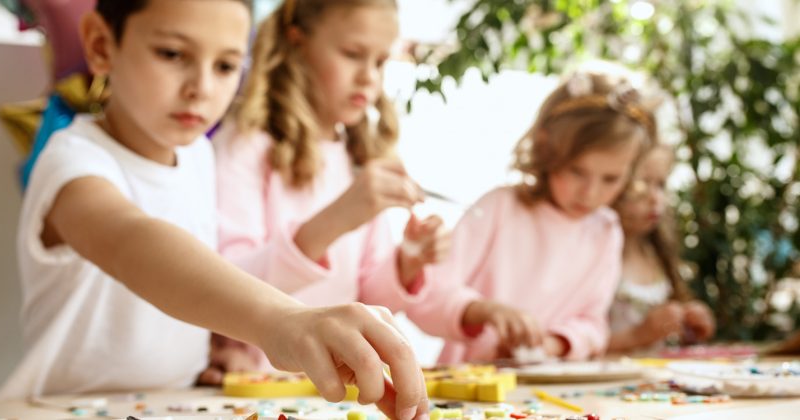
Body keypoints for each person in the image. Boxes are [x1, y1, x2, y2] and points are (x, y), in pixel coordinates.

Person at [0, 2, 429, 418]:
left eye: (225, 66)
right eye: (172, 54)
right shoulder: (71, 161)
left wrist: (217, 350)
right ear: (100, 45)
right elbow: (133, 242)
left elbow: (194, 288)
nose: (201, 88)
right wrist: (283, 320)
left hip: (174, 404)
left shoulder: (198, 156)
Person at [206, 0, 450, 380]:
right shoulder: (245, 147)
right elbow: (222, 287)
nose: (369, 77)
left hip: (327, 388)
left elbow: (366, 301)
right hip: (252, 382)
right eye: (353, 54)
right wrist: (337, 218)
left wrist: (407, 262)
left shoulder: (354, 157)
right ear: (298, 43)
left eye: (380, 62)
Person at [406, 70, 658, 363]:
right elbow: (428, 296)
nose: (590, 193)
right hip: (468, 392)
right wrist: (483, 311)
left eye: (610, 179)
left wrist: (550, 345)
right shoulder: (499, 208)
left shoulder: (605, 231)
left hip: (553, 393)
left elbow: (593, 323)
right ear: (546, 147)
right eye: (577, 171)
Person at [607, 144, 715, 353]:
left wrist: (689, 324)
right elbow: (578, 342)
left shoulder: (656, 252)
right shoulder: (595, 257)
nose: (655, 199)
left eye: (661, 185)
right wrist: (638, 335)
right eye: (641, 184)